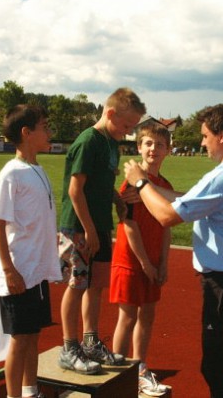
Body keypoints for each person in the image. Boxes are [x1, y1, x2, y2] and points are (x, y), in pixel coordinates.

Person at [124, 104, 223, 398]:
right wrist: (148, 186)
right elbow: (189, 198)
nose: (202, 142)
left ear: (222, 136)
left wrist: (139, 180)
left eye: (204, 136)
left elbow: (166, 216)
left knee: (220, 370)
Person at [58, 87, 146, 374]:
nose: (129, 131)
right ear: (110, 114)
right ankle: (69, 348)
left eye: (132, 127)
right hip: (79, 228)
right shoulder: (89, 141)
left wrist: (117, 200)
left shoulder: (111, 143)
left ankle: (91, 342)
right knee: (77, 285)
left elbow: (101, 182)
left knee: (95, 285)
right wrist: (89, 230)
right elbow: (75, 190)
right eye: (126, 125)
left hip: (98, 225)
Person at [0, 104, 61, 398]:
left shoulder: (38, 169)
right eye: (44, 126)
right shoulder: (12, 174)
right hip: (19, 272)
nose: (50, 132)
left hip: (37, 272)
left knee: (33, 335)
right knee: (20, 340)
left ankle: (31, 391)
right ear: (26, 133)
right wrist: (8, 270)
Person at [110, 123, 173, 396]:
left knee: (147, 315)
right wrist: (146, 263)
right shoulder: (133, 184)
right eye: (148, 143)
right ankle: (117, 373)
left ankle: (139, 366)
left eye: (160, 145)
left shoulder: (165, 186)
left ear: (168, 150)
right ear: (138, 147)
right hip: (131, 260)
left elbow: (167, 225)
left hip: (153, 261)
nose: (153, 149)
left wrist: (163, 262)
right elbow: (129, 226)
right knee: (127, 317)